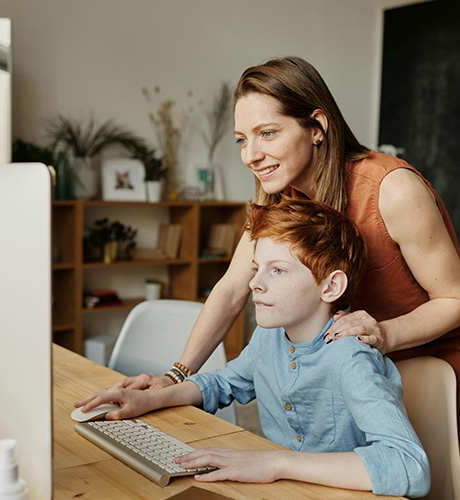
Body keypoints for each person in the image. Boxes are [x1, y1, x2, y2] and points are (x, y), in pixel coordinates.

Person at [119, 56, 460, 403]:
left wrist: (384, 334)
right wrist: (175, 376)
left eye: (267, 133)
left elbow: (454, 299)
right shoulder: (276, 199)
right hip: (354, 368)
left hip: (431, 372)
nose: (251, 155)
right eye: (241, 140)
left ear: (316, 127)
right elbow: (232, 289)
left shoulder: (393, 190)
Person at [75, 199, 430, 497]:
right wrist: (153, 397)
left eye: (278, 271)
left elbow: (408, 465)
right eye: (257, 267)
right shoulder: (270, 336)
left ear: (331, 286)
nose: (254, 283)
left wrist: (275, 462)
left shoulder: (349, 357)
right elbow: (225, 382)